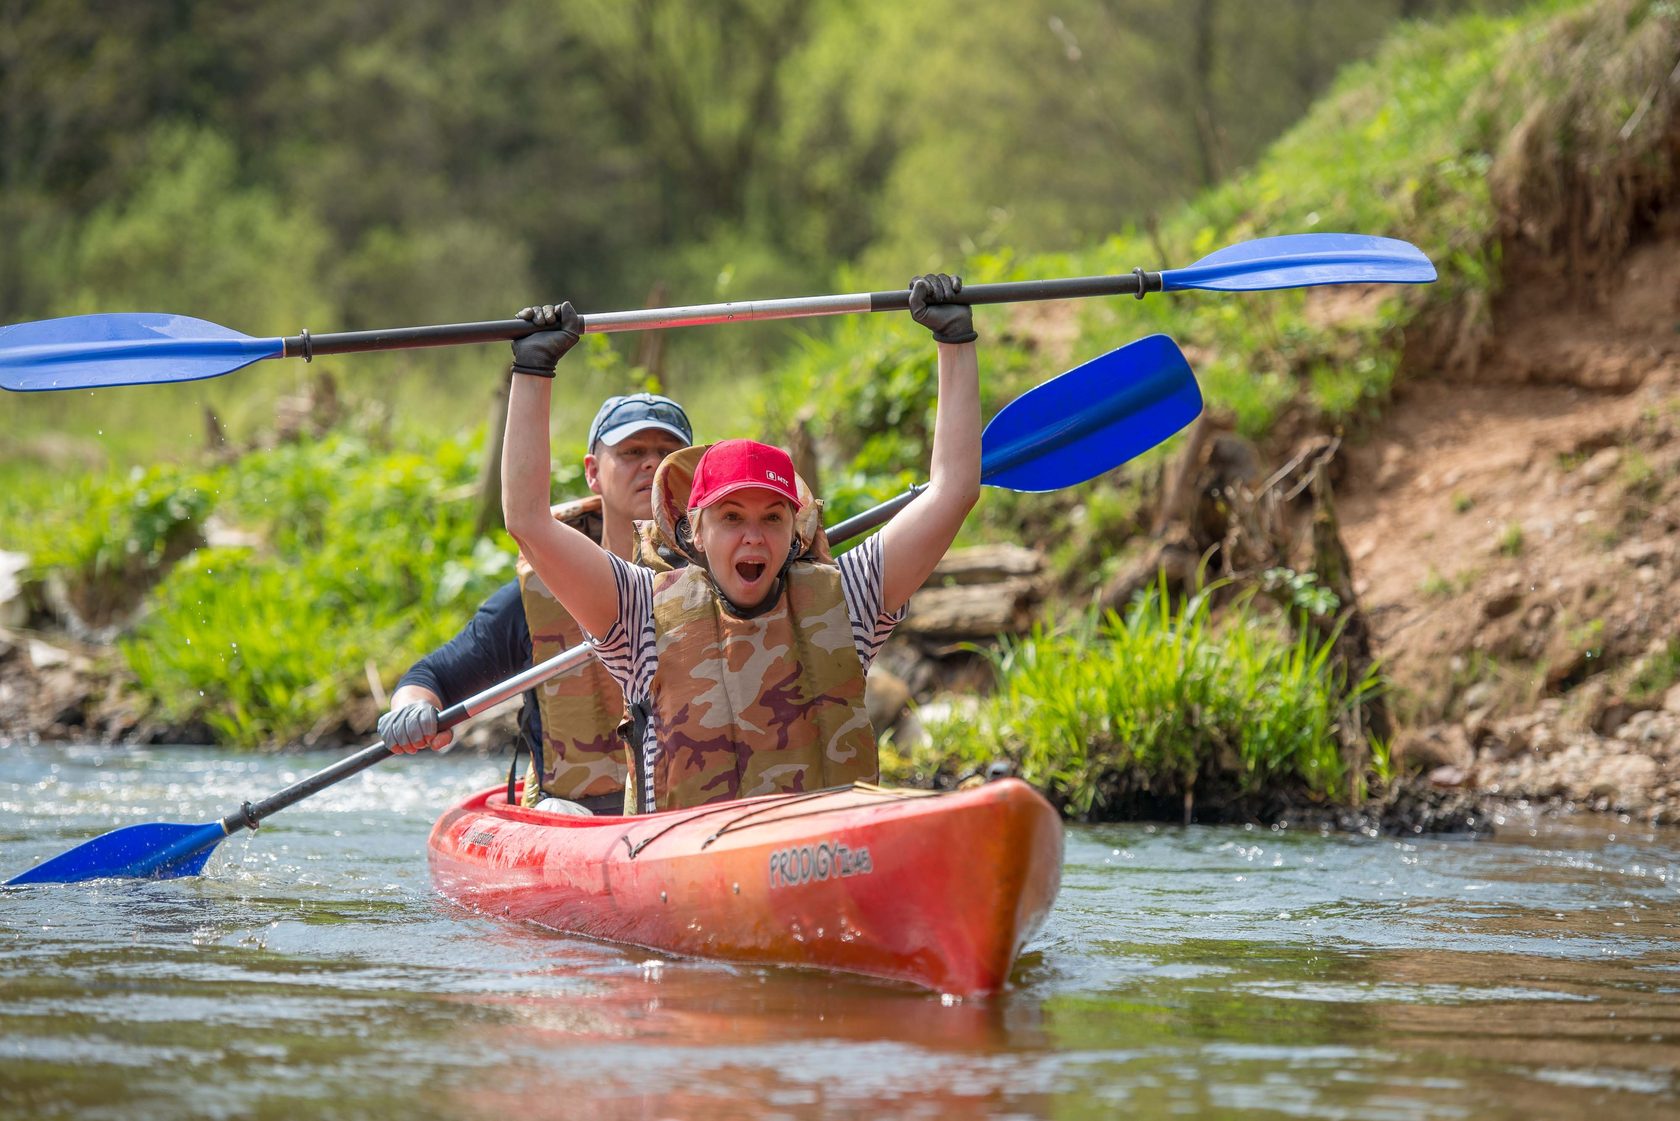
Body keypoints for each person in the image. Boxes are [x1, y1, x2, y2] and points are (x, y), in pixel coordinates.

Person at [502, 275, 981, 813]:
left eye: (772, 517)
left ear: (794, 530)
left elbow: (953, 492)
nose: (754, 535)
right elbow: (528, 521)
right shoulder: (638, 615)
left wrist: (954, 343)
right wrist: (534, 371)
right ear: (694, 532)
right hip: (684, 867)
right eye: (732, 517)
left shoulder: (849, 601)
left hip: (828, 851)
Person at [377, 391, 694, 815]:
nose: (652, 464)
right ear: (593, 472)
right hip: (577, 817)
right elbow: (432, 677)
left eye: (669, 452)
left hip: (695, 812)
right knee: (560, 814)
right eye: (632, 452)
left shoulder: (728, 576)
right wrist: (412, 707)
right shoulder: (540, 594)